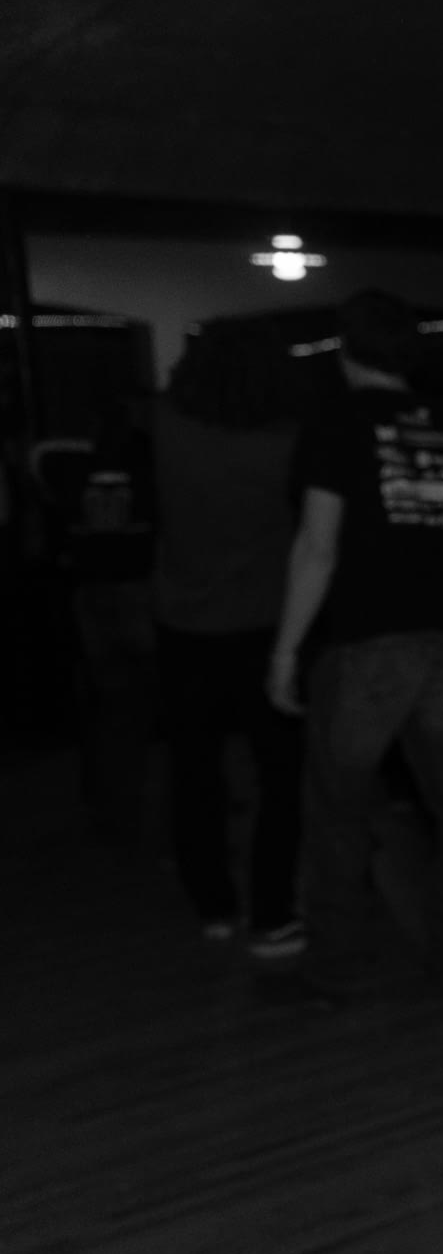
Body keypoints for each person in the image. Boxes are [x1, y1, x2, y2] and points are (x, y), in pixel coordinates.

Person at [268, 291, 443, 997]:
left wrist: (285, 649)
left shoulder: (335, 425)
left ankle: (335, 965)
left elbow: (318, 547)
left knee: (337, 812)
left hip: (367, 641)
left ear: (345, 352)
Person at [151, 357, 305, 953]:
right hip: (264, 622)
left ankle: (213, 903)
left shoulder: (169, 428)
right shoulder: (286, 444)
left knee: (194, 770)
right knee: (279, 774)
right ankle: (271, 912)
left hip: (184, 624)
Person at [31, 394, 160, 848]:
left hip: (92, 593)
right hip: (135, 590)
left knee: (111, 701)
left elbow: (39, 458)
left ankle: (111, 800)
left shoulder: (70, 470)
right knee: (146, 700)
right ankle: (138, 799)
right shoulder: (145, 472)